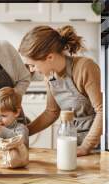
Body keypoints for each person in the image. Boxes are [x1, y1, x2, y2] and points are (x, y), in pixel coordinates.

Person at [18, 25, 102, 156]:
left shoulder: (85, 68)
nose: (32, 70)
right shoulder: (50, 77)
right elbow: (51, 113)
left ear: (50, 57)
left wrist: (86, 146)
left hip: (95, 146)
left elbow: (102, 111)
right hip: (71, 141)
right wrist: (22, 133)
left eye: (33, 65)